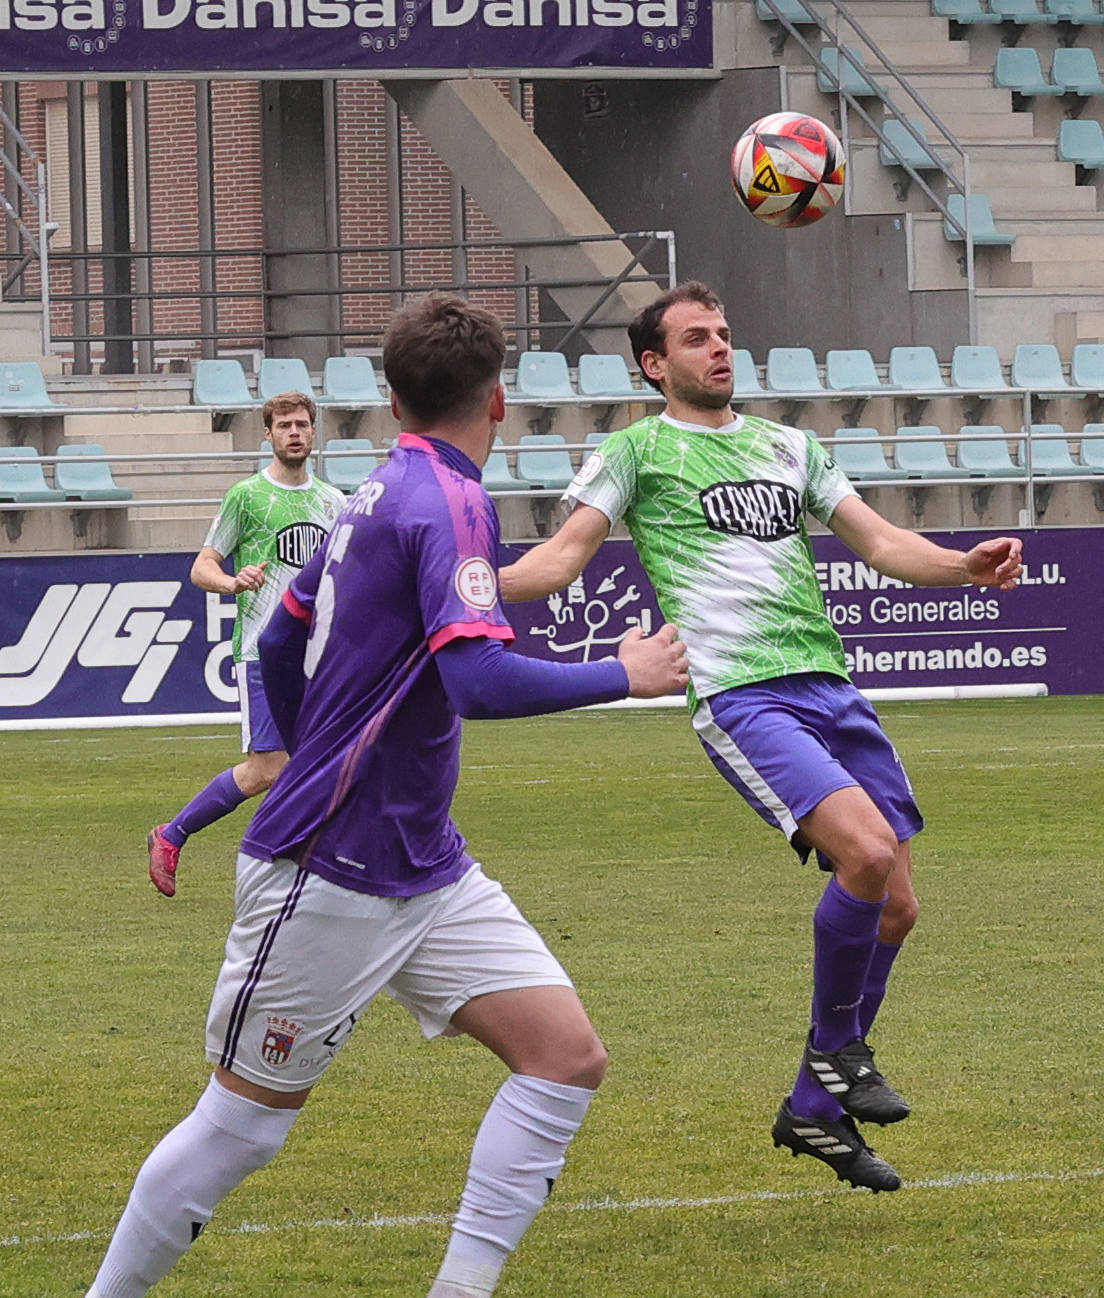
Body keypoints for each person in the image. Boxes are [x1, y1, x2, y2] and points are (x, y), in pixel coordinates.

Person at [86, 294, 688, 1298]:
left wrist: (281, 742)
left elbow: (278, 640)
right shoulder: (449, 503)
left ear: (392, 399)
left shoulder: (365, 495)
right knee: (239, 1127)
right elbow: (480, 682)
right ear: (499, 402)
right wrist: (623, 674)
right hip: (328, 867)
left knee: (563, 1054)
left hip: (423, 863)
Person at [499, 281, 1024, 1193]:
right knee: (863, 855)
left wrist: (963, 567)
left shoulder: (790, 445)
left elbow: (882, 543)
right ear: (654, 364)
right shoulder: (636, 451)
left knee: (897, 902)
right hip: (742, 695)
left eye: (726, 334)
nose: (719, 349)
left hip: (830, 686)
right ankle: (841, 1059)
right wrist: (457, 582)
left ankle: (814, 1109)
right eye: (696, 338)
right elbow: (559, 559)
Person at [146, 391, 345, 897]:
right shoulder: (247, 496)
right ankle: (172, 835)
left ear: (313, 432)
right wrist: (233, 582)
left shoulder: (334, 503)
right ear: (269, 434)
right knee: (267, 769)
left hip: (320, 657)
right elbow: (201, 568)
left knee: (330, 764)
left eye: (302, 424)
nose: (294, 432)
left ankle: (314, 867)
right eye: (284, 425)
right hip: (263, 650)